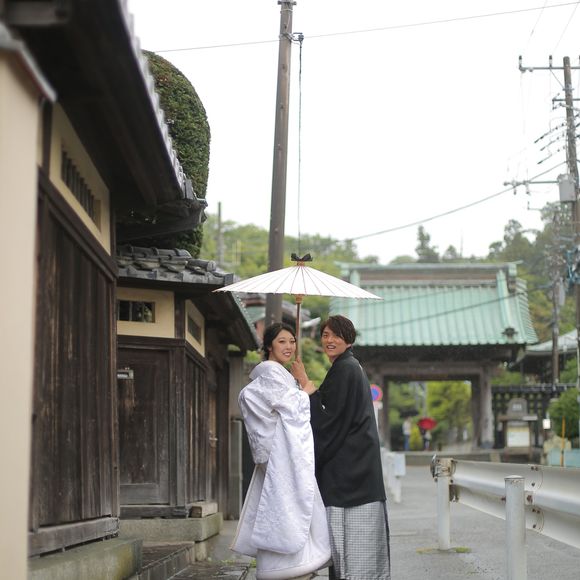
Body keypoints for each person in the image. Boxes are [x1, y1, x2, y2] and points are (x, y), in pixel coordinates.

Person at [292, 315, 391, 580]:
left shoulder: (346, 369)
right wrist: (309, 389)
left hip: (349, 474)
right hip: (358, 469)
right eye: (325, 335)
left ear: (348, 339)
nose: (329, 340)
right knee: (358, 552)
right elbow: (332, 410)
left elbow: (329, 420)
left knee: (350, 553)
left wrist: (305, 383)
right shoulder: (348, 367)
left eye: (336, 335)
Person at [231, 323, 331, 580]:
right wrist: (305, 389)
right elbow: (289, 408)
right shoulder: (272, 375)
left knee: (281, 506)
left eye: (292, 341)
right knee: (288, 505)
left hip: (280, 452)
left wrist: (298, 386)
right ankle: (289, 566)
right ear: (269, 346)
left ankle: (286, 565)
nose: (289, 347)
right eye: (282, 341)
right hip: (281, 453)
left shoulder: (276, 375)